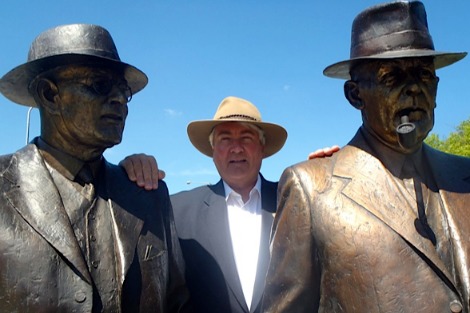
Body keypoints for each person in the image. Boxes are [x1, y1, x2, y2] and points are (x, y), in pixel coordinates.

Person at [262, 1, 470, 313]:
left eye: (424, 74)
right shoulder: (311, 190)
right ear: (355, 95)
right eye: (392, 77)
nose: (414, 88)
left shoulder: (465, 175)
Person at [0, 24, 190, 312]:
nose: (118, 101)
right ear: (49, 94)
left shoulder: (150, 195)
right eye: (100, 85)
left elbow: (178, 302)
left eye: (123, 91)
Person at [121, 96, 339, 313]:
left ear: (262, 148)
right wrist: (125, 176)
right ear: (213, 151)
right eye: (225, 139)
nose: (236, 148)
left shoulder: (296, 201)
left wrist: (330, 185)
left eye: (246, 137)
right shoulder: (177, 211)